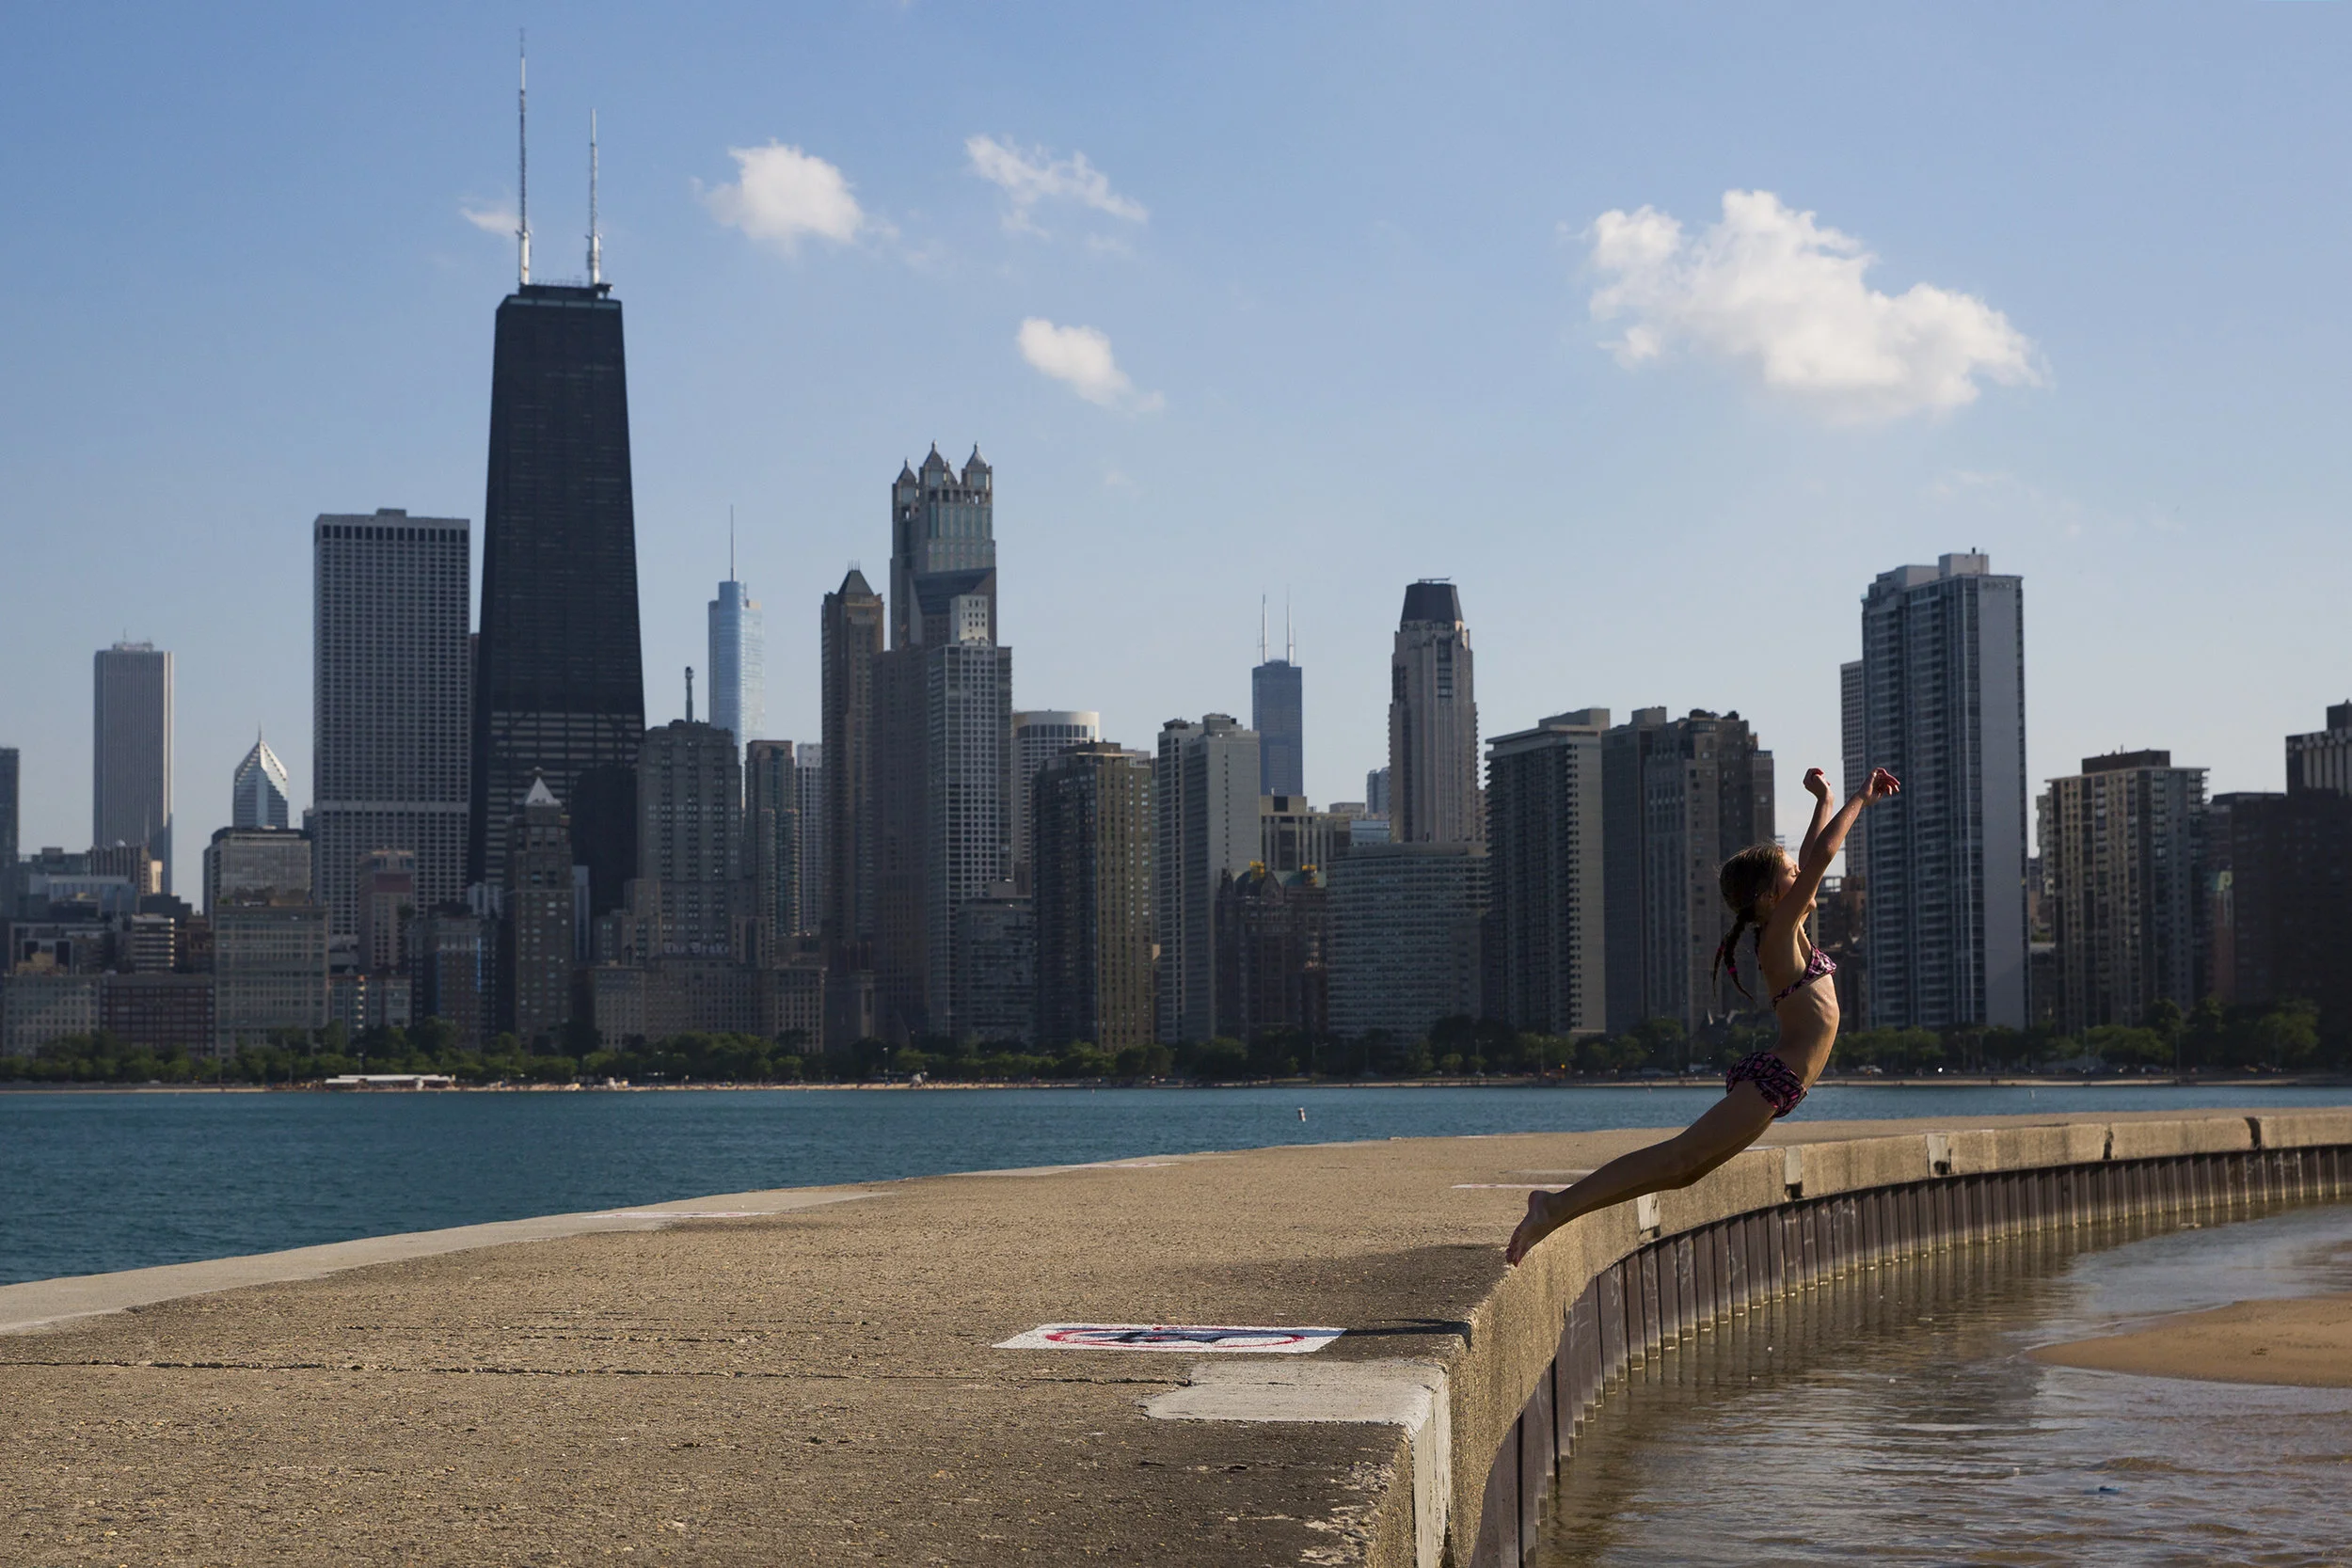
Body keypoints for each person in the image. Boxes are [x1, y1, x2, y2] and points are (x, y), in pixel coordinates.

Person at [1504, 763, 1900, 1266]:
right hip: (1776, 1078)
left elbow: (1809, 856)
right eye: (1790, 876)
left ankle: (1557, 1209)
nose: (1802, 877)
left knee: (1686, 1171)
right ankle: (1553, 1207)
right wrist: (1859, 800)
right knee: (1679, 1156)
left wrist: (1824, 799)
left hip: (1784, 1087)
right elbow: (1821, 856)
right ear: (1767, 896)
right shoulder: (1778, 940)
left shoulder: (1792, 928)